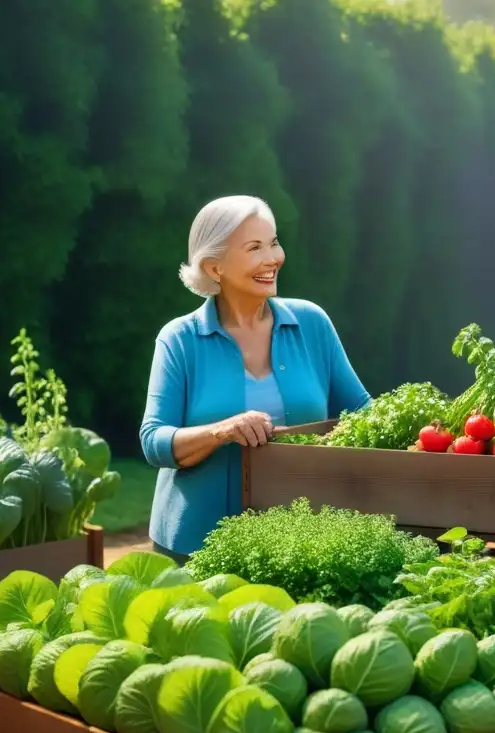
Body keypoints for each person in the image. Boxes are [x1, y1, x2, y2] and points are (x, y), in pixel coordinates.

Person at [140, 195, 371, 564]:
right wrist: (224, 430)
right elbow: (154, 441)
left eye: (274, 242)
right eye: (255, 248)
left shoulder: (311, 323)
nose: (273, 258)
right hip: (198, 545)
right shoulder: (180, 339)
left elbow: (365, 413)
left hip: (299, 543)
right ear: (215, 268)